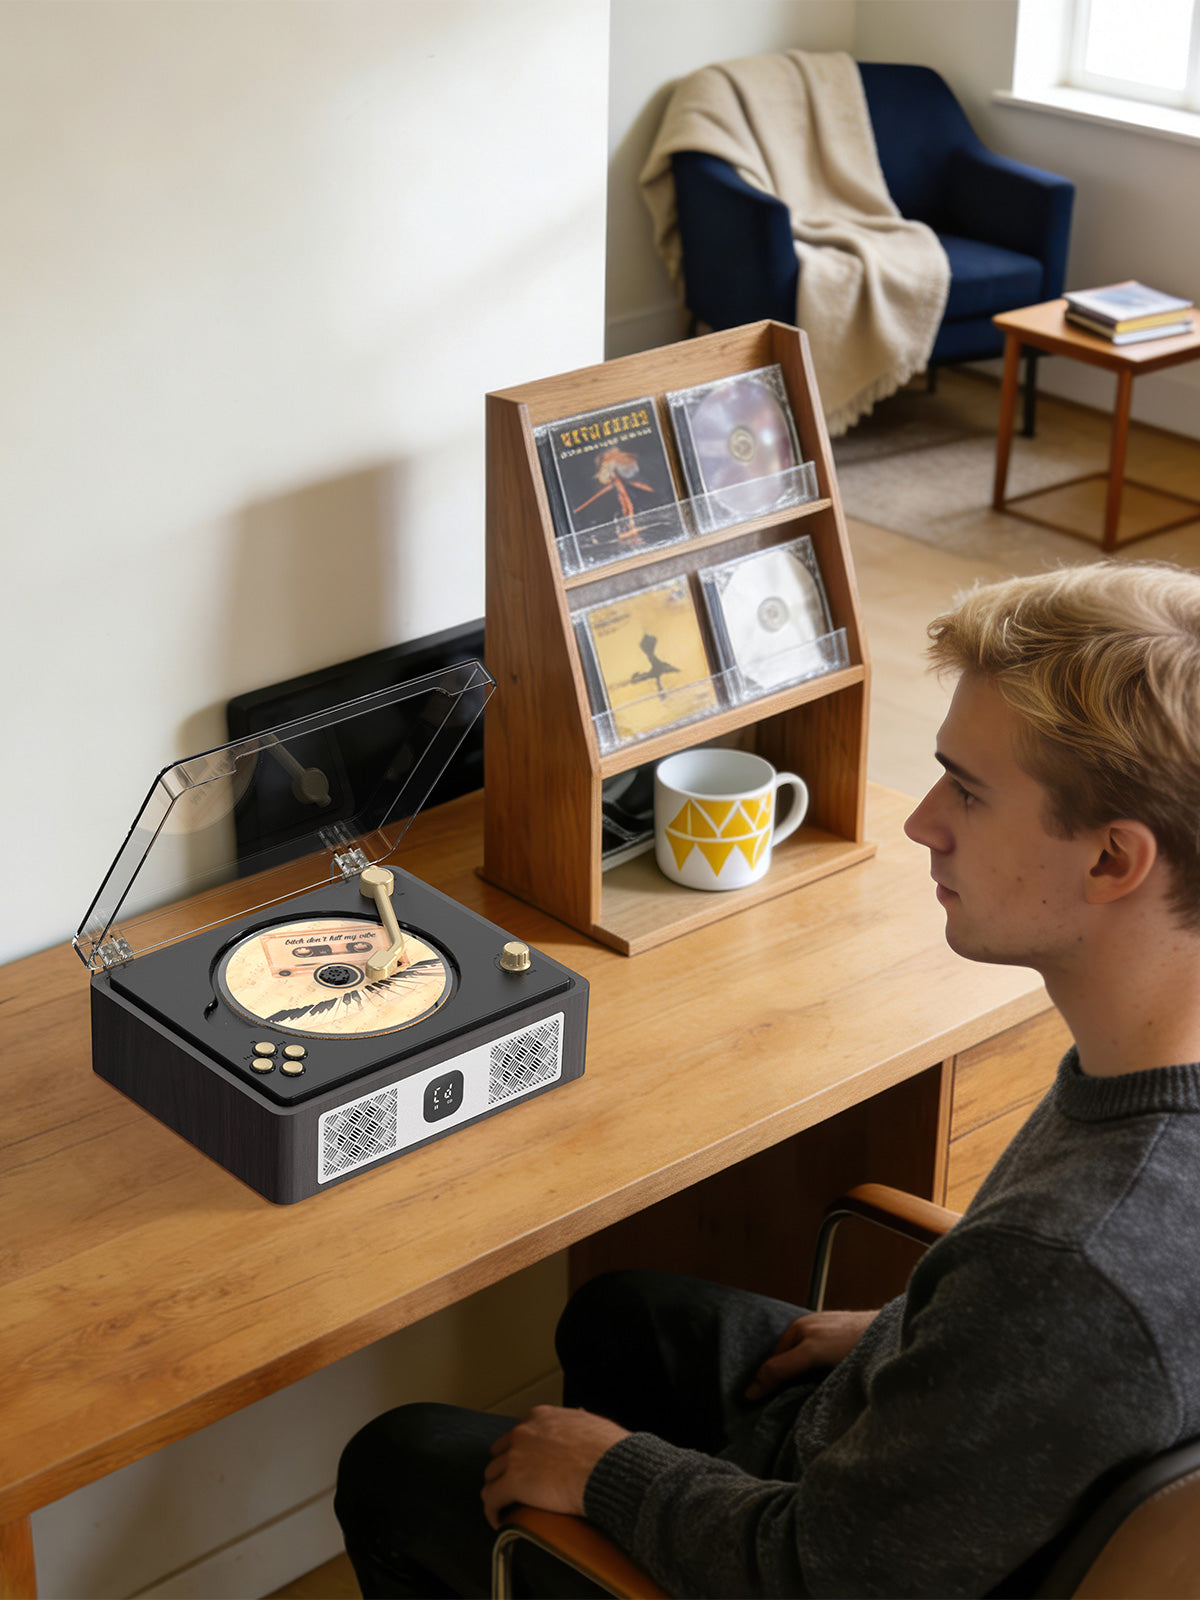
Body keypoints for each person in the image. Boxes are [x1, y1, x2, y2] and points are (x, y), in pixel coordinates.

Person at [335, 560, 1200, 1597]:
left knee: (398, 1459)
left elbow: (819, 1574)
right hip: (934, 1468)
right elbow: (1057, 1366)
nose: (922, 821)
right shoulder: (1144, 1079)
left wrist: (610, 1475)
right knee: (622, 1314)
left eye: (968, 792)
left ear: (1112, 861)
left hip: (830, 1555)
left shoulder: (1066, 1268)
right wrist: (920, 1341)